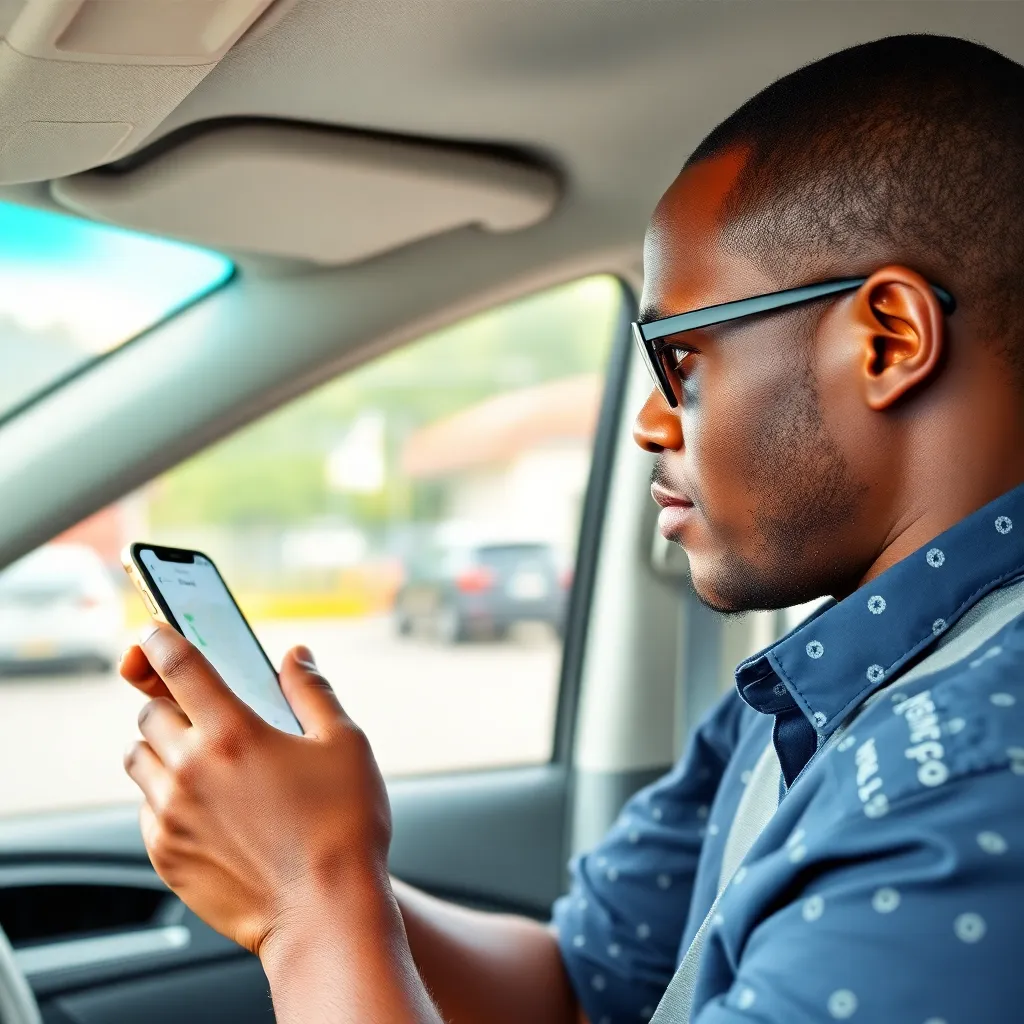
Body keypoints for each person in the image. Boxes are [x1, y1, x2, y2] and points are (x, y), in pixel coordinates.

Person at [119, 32, 1024, 1023]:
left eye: (678, 354)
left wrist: (306, 900)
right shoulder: (811, 689)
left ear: (886, 339)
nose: (647, 419)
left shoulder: (974, 782)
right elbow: (582, 986)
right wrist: (317, 852)